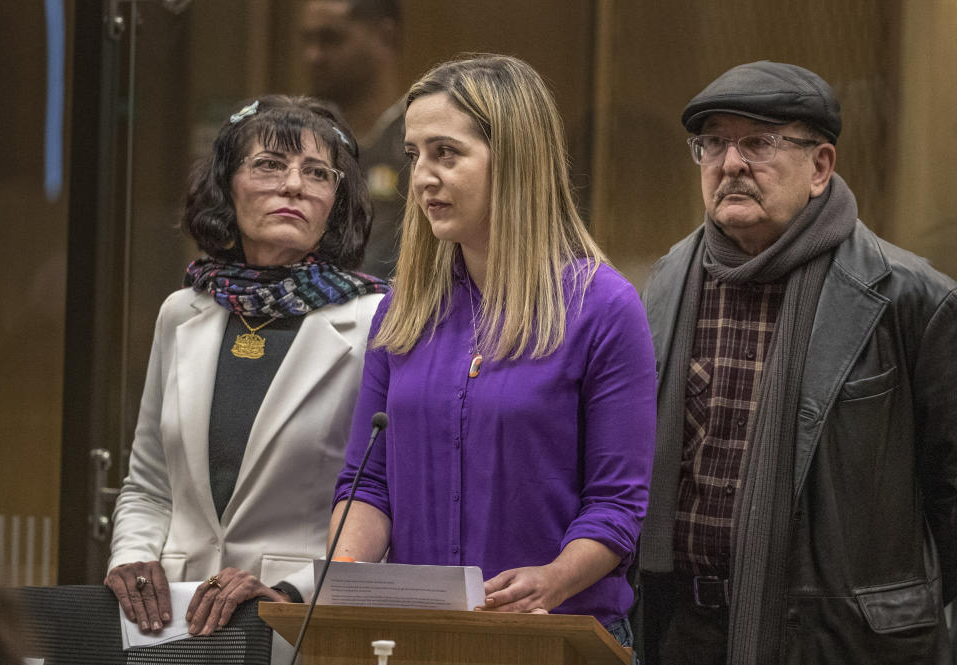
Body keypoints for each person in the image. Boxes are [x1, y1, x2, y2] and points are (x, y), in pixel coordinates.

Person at [330, 54, 657, 646]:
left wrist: (553, 580)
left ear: (515, 159)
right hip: (420, 638)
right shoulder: (401, 312)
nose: (422, 177)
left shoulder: (604, 306)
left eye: (446, 153)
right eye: (414, 155)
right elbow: (367, 483)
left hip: (557, 638)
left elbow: (616, 505)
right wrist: (345, 577)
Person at [637, 60, 957, 664]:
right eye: (712, 144)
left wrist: (891, 608)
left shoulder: (912, 298)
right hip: (682, 629)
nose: (731, 164)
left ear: (820, 166)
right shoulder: (668, 280)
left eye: (758, 142)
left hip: (843, 640)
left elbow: (950, 494)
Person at [105, 95, 388, 637]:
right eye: (269, 165)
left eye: (317, 173)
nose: (293, 186)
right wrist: (131, 558)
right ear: (225, 187)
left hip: (297, 618)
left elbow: (384, 497)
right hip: (171, 617)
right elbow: (148, 484)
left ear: (337, 202)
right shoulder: (182, 311)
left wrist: (293, 594)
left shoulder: (378, 321)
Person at [299, 0, 406, 279]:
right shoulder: (299, 140)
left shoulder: (426, 141)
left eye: (331, 38)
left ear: (385, 37)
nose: (313, 56)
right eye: (307, 40)